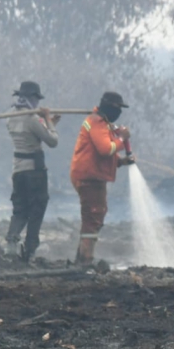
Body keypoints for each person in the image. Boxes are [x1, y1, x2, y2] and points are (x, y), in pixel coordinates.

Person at [70, 91, 134, 268]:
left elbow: (103, 154)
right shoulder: (97, 123)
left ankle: (81, 260)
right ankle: (85, 262)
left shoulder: (102, 124)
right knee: (93, 217)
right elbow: (106, 149)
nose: (119, 113)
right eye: (118, 109)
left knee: (95, 216)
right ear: (111, 108)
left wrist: (121, 162)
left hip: (92, 176)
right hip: (88, 178)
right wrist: (122, 138)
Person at [5, 81, 59, 261]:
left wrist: (48, 123)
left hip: (18, 171)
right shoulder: (32, 119)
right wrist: (49, 121)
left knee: (20, 209)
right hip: (34, 172)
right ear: (33, 98)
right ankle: (30, 250)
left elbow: (34, 133)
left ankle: (11, 242)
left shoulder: (10, 116)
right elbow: (52, 141)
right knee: (37, 209)